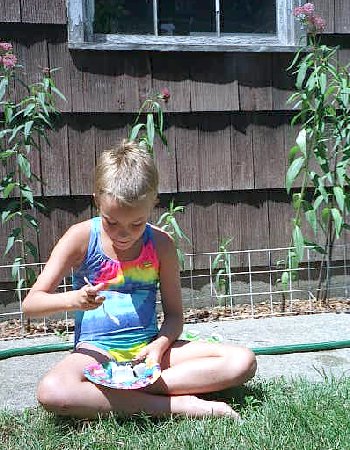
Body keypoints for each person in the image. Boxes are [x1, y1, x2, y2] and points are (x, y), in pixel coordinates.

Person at [23, 140, 256, 419]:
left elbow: (174, 316)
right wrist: (74, 299)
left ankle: (123, 393)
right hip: (96, 352)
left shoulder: (160, 244)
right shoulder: (81, 237)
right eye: (112, 222)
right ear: (97, 199)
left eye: (136, 223)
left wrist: (158, 346)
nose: (123, 234)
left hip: (146, 349)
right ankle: (177, 406)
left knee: (242, 361)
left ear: (153, 203)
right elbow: (31, 304)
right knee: (52, 391)